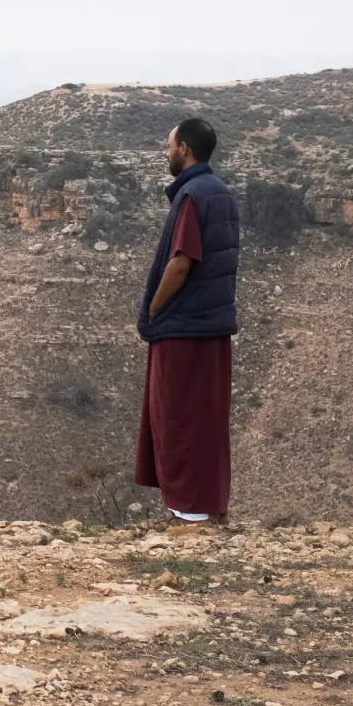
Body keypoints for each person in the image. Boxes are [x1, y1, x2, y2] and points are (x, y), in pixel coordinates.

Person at [133, 116, 239, 525]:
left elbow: (181, 262)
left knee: (177, 418)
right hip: (212, 325)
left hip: (183, 327)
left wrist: (155, 309)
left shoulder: (192, 195)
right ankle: (211, 510)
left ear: (184, 150)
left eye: (169, 144)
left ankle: (187, 515)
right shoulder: (222, 193)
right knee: (206, 419)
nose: (167, 151)